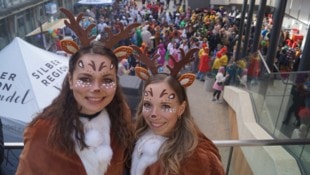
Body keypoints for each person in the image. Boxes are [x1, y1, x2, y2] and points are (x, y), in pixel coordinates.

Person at [16, 42, 134, 175]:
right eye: (85, 79)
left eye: (107, 80)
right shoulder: (43, 130)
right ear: (70, 80)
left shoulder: (121, 115)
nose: (96, 88)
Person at [131, 73, 225, 175]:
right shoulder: (134, 134)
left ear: (181, 109)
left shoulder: (198, 160)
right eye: (148, 104)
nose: (154, 114)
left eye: (165, 106)